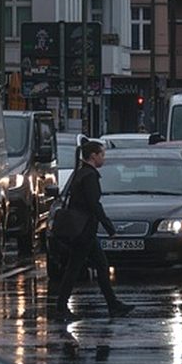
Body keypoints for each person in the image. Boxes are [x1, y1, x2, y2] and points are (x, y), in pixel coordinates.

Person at [54, 138, 135, 322]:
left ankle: (113, 305)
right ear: (93, 156)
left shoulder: (81, 173)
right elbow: (93, 205)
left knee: (99, 266)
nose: (103, 159)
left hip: (83, 230)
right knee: (76, 268)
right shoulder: (89, 176)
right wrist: (109, 228)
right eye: (102, 155)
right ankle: (62, 307)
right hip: (84, 230)